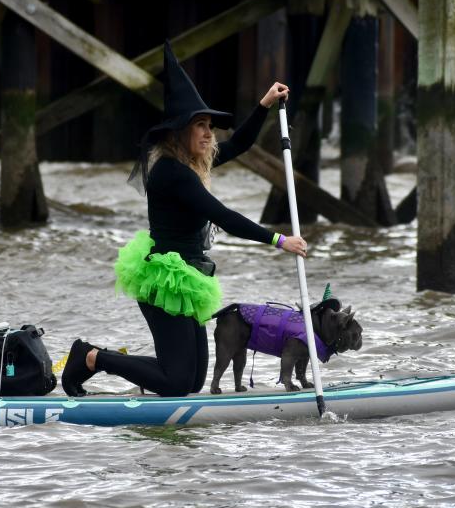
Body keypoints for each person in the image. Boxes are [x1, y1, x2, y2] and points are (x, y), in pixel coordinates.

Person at [61, 40, 306, 397]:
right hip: (164, 281)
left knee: (189, 382)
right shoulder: (173, 173)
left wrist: (265, 104)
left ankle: (96, 359)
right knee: (177, 383)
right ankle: (92, 358)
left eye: (210, 125)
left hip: (188, 277)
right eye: (201, 126)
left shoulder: (192, 163)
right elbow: (220, 214)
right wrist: (278, 240)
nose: (210, 133)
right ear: (180, 132)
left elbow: (238, 144)